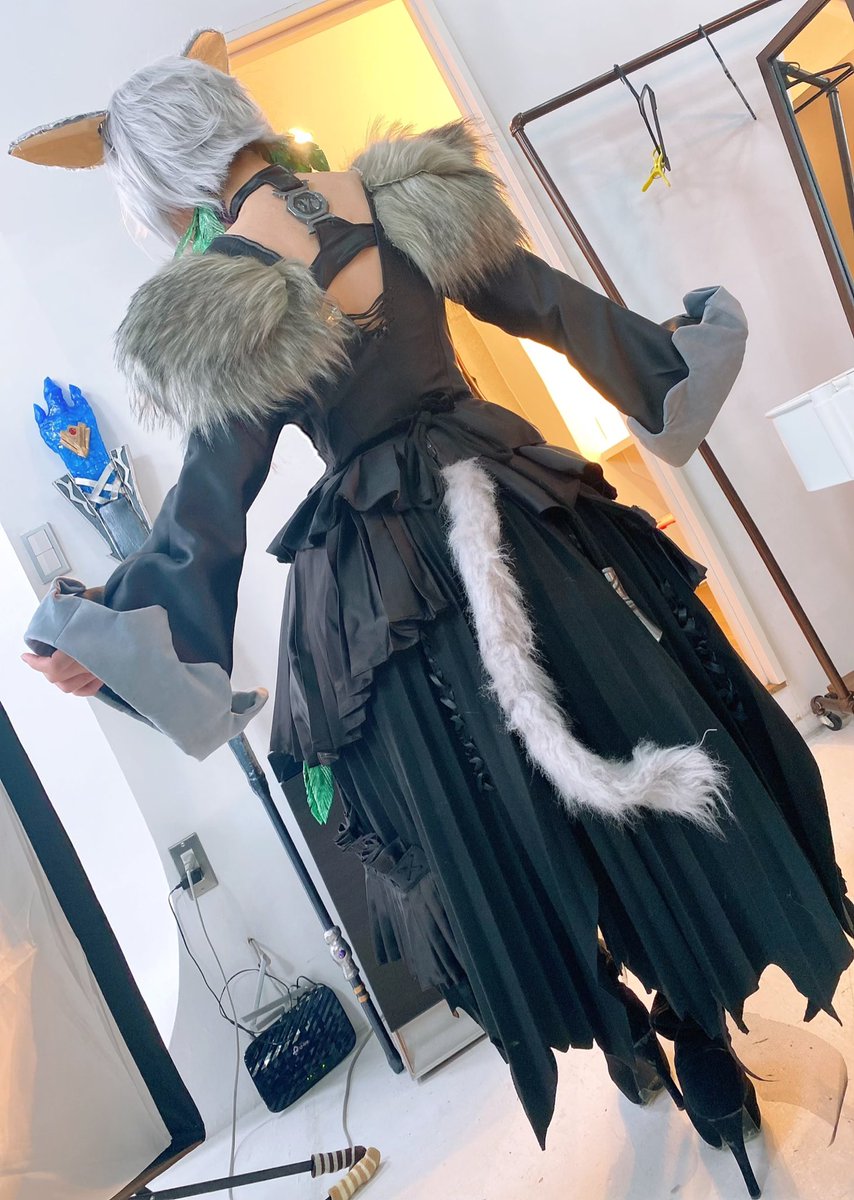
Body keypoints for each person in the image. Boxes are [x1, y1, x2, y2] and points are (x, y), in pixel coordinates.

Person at [17, 44, 852, 1198]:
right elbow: (550, 305)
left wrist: (127, 640)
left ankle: (616, 1023)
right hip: (519, 511)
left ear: (161, 180)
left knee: (484, 826)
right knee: (618, 735)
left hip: (390, 587)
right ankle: (700, 1043)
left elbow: (207, 512)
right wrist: (666, 367)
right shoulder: (397, 192)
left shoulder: (222, 291)